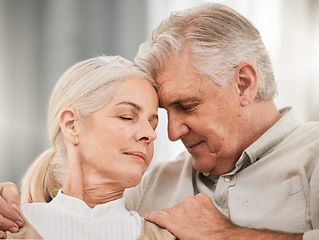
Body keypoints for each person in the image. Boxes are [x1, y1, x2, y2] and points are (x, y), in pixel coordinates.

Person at [0, 3, 318, 240]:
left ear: (244, 83)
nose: (168, 132)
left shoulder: (313, 157)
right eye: (164, 115)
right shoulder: (150, 184)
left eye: (187, 105)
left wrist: (227, 235)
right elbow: (79, 211)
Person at [0, 56, 175, 239]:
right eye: (126, 117)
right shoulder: (10, 229)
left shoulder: (168, 236)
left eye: (153, 125)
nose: (150, 134)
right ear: (71, 125)